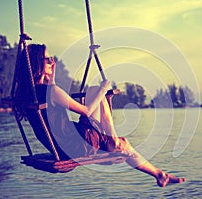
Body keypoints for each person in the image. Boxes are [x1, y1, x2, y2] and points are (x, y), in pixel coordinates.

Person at [15, 43, 186, 187]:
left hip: (66, 142)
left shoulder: (27, 93)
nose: (52, 62)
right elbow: (87, 111)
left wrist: (51, 79)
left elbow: (50, 105)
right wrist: (104, 89)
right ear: (38, 63)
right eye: (48, 59)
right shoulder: (52, 92)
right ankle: (124, 148)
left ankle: (120, 146)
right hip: (77, 145)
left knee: (93, 91)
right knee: (120, 136)